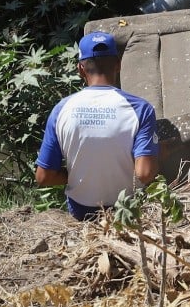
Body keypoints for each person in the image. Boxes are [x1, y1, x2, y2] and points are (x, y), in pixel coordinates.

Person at [35, 31, 159, 221]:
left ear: (80, 69)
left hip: (81, 213)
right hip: (128, 212)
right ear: (118, 64)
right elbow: (145, 174)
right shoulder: (141, 109)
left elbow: (44, 177)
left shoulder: (61, 110)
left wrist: (77, 175)